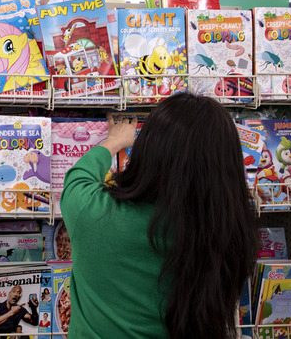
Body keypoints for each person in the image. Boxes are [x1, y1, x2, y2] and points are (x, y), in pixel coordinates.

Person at [61, 93, 257, 338]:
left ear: (148, 150)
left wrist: (114, 142)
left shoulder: (93, 211)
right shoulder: (227, 230)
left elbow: (77, 178)